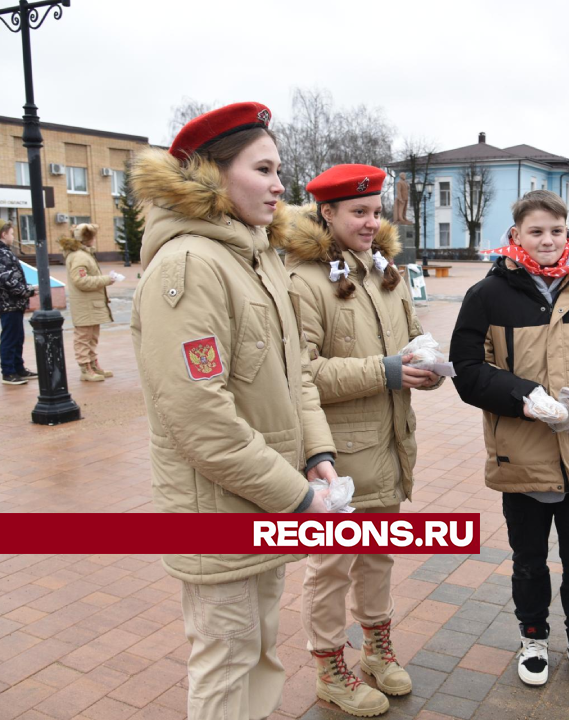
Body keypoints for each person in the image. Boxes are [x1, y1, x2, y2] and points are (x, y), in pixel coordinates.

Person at [129, 102, 337, 720]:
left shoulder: (255, 256)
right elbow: (199, 417)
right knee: (227, 663)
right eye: (264, 168)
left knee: (258, 654)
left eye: (280, 169)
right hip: (219, 509)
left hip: (263, 498)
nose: (280, 185)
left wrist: (318, 453)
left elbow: (292, 372)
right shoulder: (191, 263)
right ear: (212, 175)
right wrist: (296, 499)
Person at [450, 190, 569, 692]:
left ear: (567, 231)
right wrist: (524, 395)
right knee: (528, 560)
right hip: (522, 457)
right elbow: (467, 372)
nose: (548, 240)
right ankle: (532, 636)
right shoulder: (487, 295)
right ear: (517, 235)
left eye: (556, 230)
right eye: (536, 231)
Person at [281, 165, 442, 718]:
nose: (372, 222)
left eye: (376, 211)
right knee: (330, 566)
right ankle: (329, 668)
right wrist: (386, 371)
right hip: (339, 458)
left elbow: (409, 334)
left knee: (379, 555)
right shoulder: (304, 280)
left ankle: (376, 649)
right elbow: (300, 373)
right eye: (359, 212)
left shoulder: (382, 272)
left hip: (391, 444)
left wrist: (426, 358)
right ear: (327, 213)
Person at [58, 223, 115, 381]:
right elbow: (80, 281)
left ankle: (93, 364)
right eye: (93, 237)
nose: (95, 240)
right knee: (84, 337)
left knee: (92, 337)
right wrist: (106, 279)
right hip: (85, 305)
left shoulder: (84, 254)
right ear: (87, 238)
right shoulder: (79, 256)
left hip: (90, 304)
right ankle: (85, 368)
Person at [0, 222, 38, 385]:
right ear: (3, 234)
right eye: (12, 233)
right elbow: (8, 279)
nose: (13, 237)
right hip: (8, 303)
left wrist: (28, 288)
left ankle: (18, 368)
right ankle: (9, 372)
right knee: (10, 337)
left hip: (13, 303)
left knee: (17, 336)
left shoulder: (5, 252)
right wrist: (27, 291)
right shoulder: (2, 253)